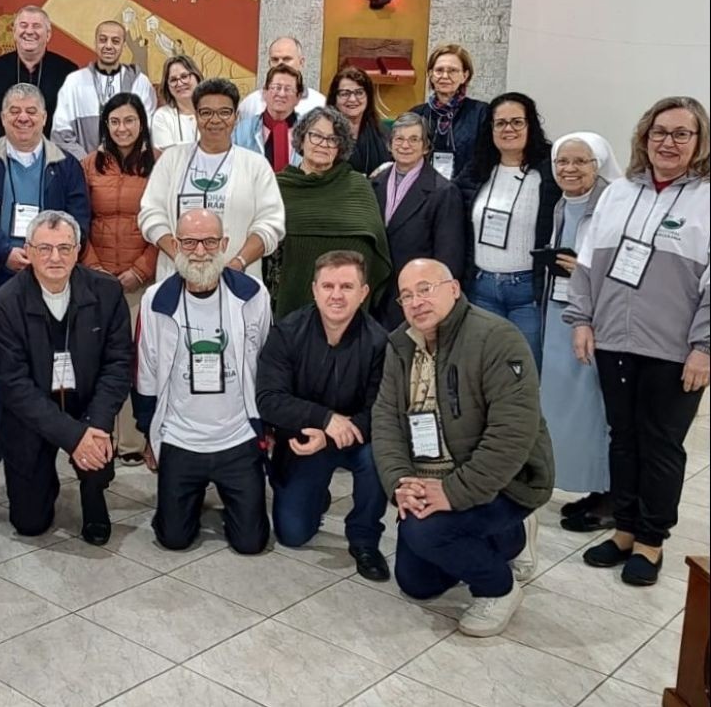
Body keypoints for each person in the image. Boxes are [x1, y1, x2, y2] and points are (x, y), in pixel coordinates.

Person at [567, 97, 710, 586]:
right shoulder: (621, 192)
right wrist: (582, 319)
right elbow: (587, 263)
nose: (667, 143)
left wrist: (705, 346)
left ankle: (651, 542)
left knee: (662, 445)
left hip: (675, 350)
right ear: (644, 138)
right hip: (614, 339)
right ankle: (625, 529)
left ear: (698, 142)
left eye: (680, 134)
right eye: (659, 133)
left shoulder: (706, 198)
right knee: (623, 440)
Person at [372, 258, 553, 637]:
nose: (416, 301)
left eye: (426, 289)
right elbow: (386, 419)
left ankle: (499, 588)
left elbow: (512, 434)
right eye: (407, 295)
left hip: (504, 481)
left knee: (426, 534)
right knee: (416, 583)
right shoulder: (400, 345)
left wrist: (454, 493)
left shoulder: (497, 338)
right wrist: (401, 482)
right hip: (428, 473)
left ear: (454, 288)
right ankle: (505, 538)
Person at [0, 83, 91, 467]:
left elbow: (79, 217)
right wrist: (5, 251)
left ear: (44, 117)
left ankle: (51, 431)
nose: (23, 117)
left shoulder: (64, 164)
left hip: (52, 277)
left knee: (50, 355)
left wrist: (45, 256)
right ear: (2, 118)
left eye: (31, 111)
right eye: (14, 110)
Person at [0, 211, 132, 544]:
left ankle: (93, 492)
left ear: (79, 250)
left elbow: (118, 364)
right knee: (30, 523)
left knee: (96, 446)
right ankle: (42, 478)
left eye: (65, 248)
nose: (55, 257)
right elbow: (16, 388)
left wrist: (95, 425)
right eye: (45, 248)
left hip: (87, 407)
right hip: (30, 415)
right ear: (28, 250)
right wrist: (71, 436)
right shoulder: (3, 306)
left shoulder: (107, 293)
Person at [135, 209, 272, 554]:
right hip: (181, 438)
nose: (200, 251)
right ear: (176, 245)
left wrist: (267, 427)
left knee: (251, 543)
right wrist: (149, 433)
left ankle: (224, 499)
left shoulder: (253, 295)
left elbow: (268, 365)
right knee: (173, 539)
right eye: (190, 242)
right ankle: (187, 498)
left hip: (237, 437)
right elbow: (147, 371)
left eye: (210, 241)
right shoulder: (156, 301)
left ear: (224, 244)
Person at [257, 250, 389, 580]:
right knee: (292, 534)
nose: (336, 295)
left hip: (357, 438)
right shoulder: (287, 332)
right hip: (306, 438)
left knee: (379, 458)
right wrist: (323, 419)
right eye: (328, 285)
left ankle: (364, 540)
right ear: (314, 289)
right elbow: (268, 399)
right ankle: (315, 497)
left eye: (347, 286)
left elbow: (382, 409)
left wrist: (337, 429)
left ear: (364, 293)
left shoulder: (380, 342)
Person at [539, 133, 622, 533]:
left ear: (598, 164)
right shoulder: (560, 203)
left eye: (580, 162)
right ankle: (591, 488)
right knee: (567, 407)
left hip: (594, 319)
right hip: (559, 313)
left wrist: (583, 271)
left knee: (596, 407)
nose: (569, 169)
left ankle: (612, 495)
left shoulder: (612, 204)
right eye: (562, 162)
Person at [139, 77, 285, 284]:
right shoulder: (172, 159)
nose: (215, 120)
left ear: (236, 116)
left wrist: (237, 263)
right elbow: (151, 215)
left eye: (224, 112)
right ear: (196, 116)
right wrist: (182, 259)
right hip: (176, 276)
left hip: (238, 280)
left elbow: (271, 224)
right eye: (206, 112)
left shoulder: (256, 165)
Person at [456, 92, 560, 370]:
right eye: (500, 123)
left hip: (528, 292)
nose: (508, 129)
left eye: (516, 122)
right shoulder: (476, 170)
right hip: (481, 289)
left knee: (524, 373)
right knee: (484, 371)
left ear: (531, 125)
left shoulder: (550, 172)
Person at [81, 92, 158, 462]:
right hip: (96, 281)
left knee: (134, 359)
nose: (122, 128)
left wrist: (140, 270)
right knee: (97, 358)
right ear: (105, 126)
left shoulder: (158, 165)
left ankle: (130, 440)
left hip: (138, 282)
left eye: (129, 120)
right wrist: (93, 268)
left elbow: (165, 225)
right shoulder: (88, 165)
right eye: (114, 122)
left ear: (141, 123)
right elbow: (79, 220)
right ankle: (98, 433)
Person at [272, 106, 391, 319]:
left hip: (349, 309)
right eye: (316, 135)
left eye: (332, 139)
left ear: (340, 146)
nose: (323, 144)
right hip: (290, 306)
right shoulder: (277, 187)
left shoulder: (358, 186)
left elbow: (378, 249)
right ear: (302, 138)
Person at [370, 112, 466, 330]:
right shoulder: (374, 183)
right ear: (389, 144)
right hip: (377, 295)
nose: (406, 145)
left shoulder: (443, 191)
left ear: (426, 147)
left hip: (417, 298)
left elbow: (448, 258)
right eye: (400, 139)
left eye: (414, 139)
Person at [51, 20, 157, 160]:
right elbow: (60, 134)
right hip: (85, 172)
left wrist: (123, 164)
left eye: (115, 41)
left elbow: (147, 131)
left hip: (129, 172)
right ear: (95, 42)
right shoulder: (75, 82)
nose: (108, 45)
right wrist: (88, 164)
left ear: (123, 46)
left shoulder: (140, 82)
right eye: (103, 40)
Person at [0, 6, 78, 141]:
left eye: (36, 26)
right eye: (23, 25)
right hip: (6, 153)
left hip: (53, 154)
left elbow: (75, 118)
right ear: (14, 32)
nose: (29, 31)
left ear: (48, 34)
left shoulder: (68, 72)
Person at [410, 44, 490, 181]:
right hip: (424, 191)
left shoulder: (481, 113)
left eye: (453, 71)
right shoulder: (416, 115)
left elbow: (484, 159)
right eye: (439, 70)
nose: (445, 76)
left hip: (466, 192)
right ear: (430, 74)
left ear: (465, 76)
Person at [232, 65, 306, 172]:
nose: (281, 94)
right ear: (265, 92)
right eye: (276, 87)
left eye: (288, 89)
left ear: (298, 97)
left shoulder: (308, 130)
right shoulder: (242, 130)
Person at [237, 36, 325, 120]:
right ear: (269, 64)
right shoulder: (251, 103)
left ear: (301, 62)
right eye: (275, 59)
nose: (280, 64)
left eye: (287, 59)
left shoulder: (319, 103)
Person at [328, 66, 390, 177]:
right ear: (334, 99)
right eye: (345, 93)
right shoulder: (325, 134)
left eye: (359, 92)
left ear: (368, 97)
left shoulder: (382, 133)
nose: (352, 99)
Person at [152, 55, 202, 150]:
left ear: (197, 77)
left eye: (184, 76)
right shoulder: (162, 116)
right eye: (173, 80)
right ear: (167, 86)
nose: (180, 83)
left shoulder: (214, 112)